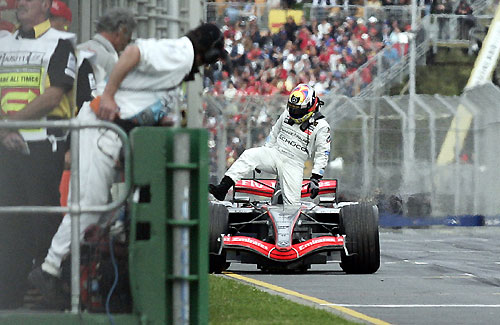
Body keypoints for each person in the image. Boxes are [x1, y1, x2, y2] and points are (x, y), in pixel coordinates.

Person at [29, 22, 228, 308]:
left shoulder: (175, 74)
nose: (208, 68)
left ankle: (64, 278)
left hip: (105, 130)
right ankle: (49, 269)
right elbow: (133, 53)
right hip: (100, 125)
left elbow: (145, 105)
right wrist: (109, 94)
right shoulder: (182, 52)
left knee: (94, 210)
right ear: (206, 54)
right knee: (92, 205)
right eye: (212, 60)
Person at [0, 0, 76, 309]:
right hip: (5, 145)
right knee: (8, 223)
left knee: (42, 219)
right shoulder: (3, 42)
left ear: (45, 5)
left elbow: (54, 94)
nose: (19, 4)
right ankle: (9, 295)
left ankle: (49, 292)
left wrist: (12, 123)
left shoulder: (61, 42)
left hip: (43, 146)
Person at [209, 84, 331, 205]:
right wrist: (264, 154)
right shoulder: (287, 113)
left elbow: (323, 153)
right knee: (249, 155)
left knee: (292, 206)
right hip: (275, 153)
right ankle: (222, 189)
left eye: (297, 109)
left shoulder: (322, 126)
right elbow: (274, 133)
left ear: (309, 106)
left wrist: (315, 178)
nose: (293, 111)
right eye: (292, 108)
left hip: (294, 163)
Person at [77, 8, 136, 84]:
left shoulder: (78, 49)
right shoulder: (110, 60)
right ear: (120, 32)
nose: (126, 46)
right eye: (128, 40)